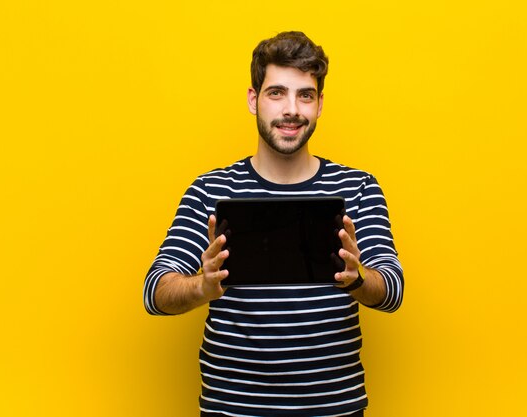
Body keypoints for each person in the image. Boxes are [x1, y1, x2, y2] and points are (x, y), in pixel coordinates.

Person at [144, 31, 404, 417]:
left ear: (319, 105)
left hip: (334, 409)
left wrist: (358, 278)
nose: (292, 109)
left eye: (305, 95)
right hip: (233, 409)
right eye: (276, 92)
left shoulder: (358, 188)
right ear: (254, 100)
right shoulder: (210, 190)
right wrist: (203, 285)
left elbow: (393, 290)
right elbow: (155, 292)